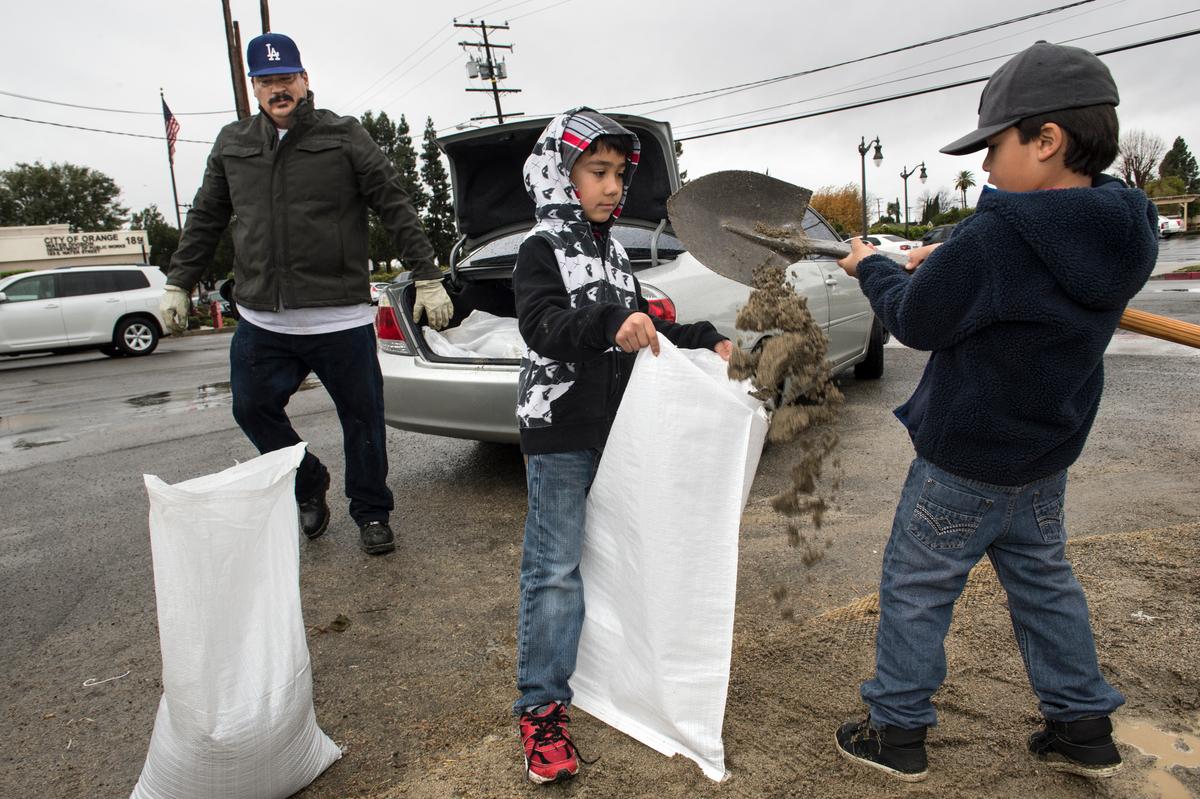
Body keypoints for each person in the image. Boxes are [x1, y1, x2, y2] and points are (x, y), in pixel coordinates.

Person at [831, 41, 1158, 782]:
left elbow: (915, 319)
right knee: (1045, 586)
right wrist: (945, 250)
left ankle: (897, 731)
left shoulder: (998, 238)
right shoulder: (1126, 226)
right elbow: (1038, 244)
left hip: (961, 465)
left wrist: (873, 267)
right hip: (1043, 459)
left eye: (993, 146)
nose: (983, 165)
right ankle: (1082, 725)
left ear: (1046, 141)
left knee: (917, 590)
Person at [160, 32, 453, 556]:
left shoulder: (343, 135)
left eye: (286, 78)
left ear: (304, 80)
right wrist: (179, 282)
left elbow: (393, 203)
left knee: (362, 420)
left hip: (339, 318)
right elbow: (205, 217)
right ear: (254, 87)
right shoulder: (233, 143)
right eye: (267, 81)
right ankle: (307, 480)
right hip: (263, 318)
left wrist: (427, 274)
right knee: (251, 409)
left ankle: (371, 512)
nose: (279, 89)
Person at [511, 107, 733, 784]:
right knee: (554, 568)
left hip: (618, 431)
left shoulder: (613, 253)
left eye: (619, 174)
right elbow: (543, 325)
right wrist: (611, 322)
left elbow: (646, 325)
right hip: (559, 431)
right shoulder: (540, 249)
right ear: (561, 173)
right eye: (597, 172)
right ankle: (541, 709)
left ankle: (608, 678)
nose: (612, 187)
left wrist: (706, 338)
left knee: (617, 557)